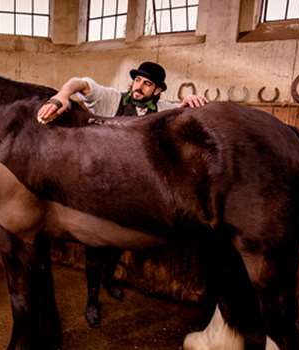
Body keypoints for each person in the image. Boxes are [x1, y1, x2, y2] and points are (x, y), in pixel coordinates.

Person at [36, 62, 208, 328]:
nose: (139, 86)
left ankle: (108, 281)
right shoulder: (111, 99)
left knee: (119, 241)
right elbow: (78, 81)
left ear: (158, 91)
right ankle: (92, 299)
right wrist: (61, 96)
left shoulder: (163, 110)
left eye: (147, 83)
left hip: (131, 191)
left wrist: (189, 101)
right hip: (99, 187)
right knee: (95, 246)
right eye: (137, 80)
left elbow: (186, 111)